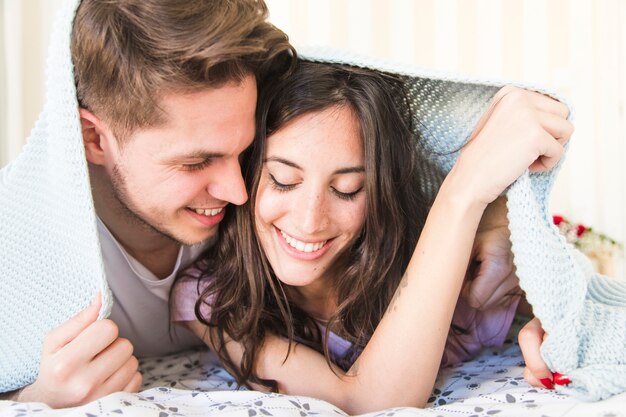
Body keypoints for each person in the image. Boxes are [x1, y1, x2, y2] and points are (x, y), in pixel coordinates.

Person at [172, 61, 572, 414]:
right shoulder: (213, 299)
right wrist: (463, 189)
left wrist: (550, 320)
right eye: (283, 180)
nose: (310, 221)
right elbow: (368, 403)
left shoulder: (456, 258)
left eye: (347, 188)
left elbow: (580, 283)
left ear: (382, 190)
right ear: (247, 169)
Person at [0, 0, 294, 407]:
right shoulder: (14, 242)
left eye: (246, 152)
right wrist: (31, 396)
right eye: (196, 162)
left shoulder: (279, 200)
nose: (238, 192)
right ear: (93, 138)